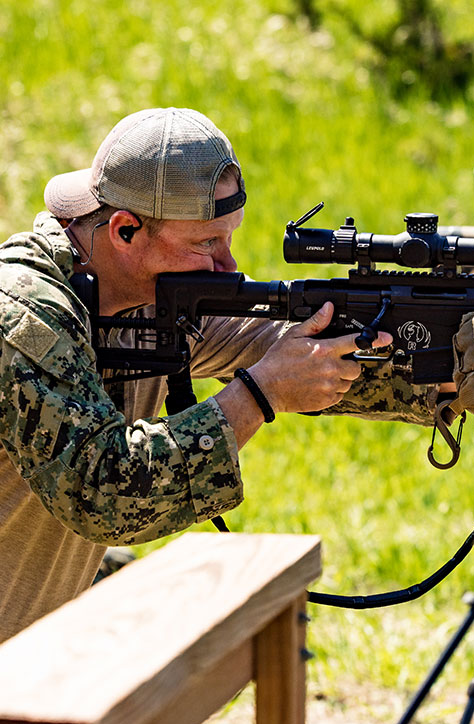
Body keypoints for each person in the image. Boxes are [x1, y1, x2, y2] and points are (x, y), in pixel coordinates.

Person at [0, 107, 442, 642]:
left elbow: (277, 345)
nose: (229, 266)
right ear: (124, 230)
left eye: (227, 239)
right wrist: (257, 396)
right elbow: (104, 491)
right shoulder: (23, 316)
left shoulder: (152, 292)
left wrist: (451, 362)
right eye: (206, 244)